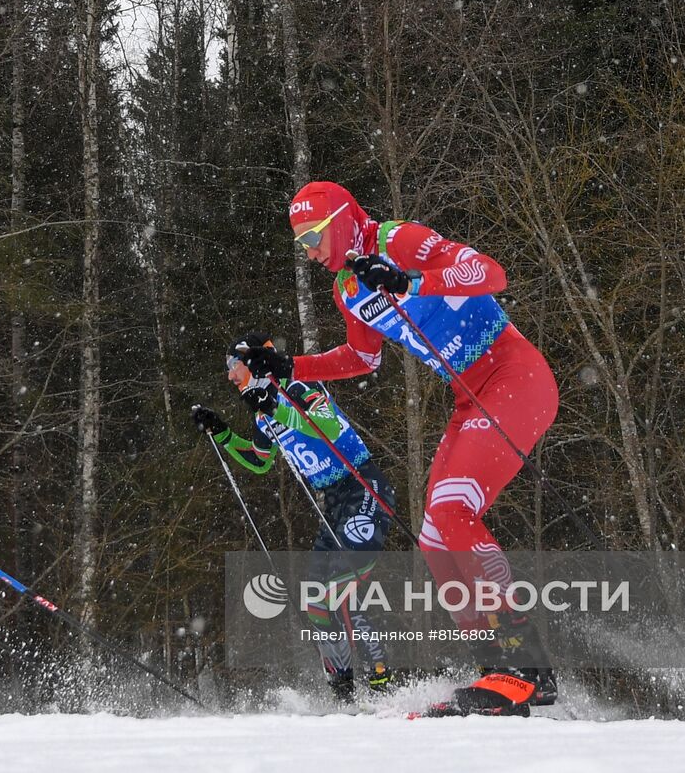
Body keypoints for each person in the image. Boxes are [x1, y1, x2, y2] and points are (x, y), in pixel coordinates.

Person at [237, 181, 561, 717]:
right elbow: (362, 360)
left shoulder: (396, 240)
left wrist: (412, 281)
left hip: (513, 376)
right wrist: (291, 367)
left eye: (314, 236)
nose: (311, 252)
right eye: (301, 244)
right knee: (436, 534)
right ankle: (496, 664)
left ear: (342, 220)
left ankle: (527, 663)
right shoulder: (347, 287)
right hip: (469, 397)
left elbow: (490, 272)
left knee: (455, 511)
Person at [191, 334, 396, 701]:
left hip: (363, 490)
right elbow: (258, 460)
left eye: (231, 366)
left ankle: (384, 686)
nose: (229, 376)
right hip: (333, 504)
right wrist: (221, 431)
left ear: (251, 362)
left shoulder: (299, 385)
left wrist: (277, 407)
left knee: (338, 592)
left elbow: (329, 427)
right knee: (316, 601)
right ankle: (343, 692)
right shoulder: (260, 408)